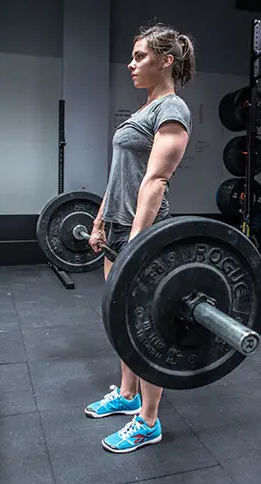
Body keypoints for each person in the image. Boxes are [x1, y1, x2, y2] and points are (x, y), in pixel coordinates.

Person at [84, 23, 196, 454]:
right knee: (121, 320)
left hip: (143, 232)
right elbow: (120, 177)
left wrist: (136, 241)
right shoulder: (140, 112)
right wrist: (99, 221)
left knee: (145, 324)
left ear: (166, 60)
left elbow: (155, 181)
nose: (131, 64)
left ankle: (148, 420)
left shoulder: (171, 109)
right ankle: (128, 394)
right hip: (117, 226)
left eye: (139, 57)